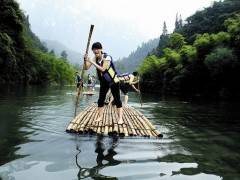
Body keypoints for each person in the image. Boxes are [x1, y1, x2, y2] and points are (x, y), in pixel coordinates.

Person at [84, 42, 123, 124]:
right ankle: (100, 117)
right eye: (94, 50)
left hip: (113, 80)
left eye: (97, 49)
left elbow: (103, 69)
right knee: (100, 100)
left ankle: (120, 118)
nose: (95, 51)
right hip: (104, 81)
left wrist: (92, 61)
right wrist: (85, 60)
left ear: (101, 49)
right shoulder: (95, 58)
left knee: (117, 100)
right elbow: (86, 67)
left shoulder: (107, 57)